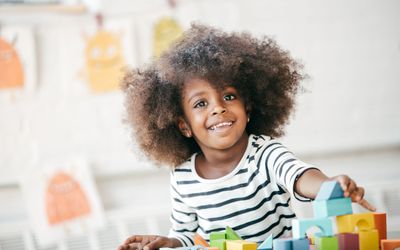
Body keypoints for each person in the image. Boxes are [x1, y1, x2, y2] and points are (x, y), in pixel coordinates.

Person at [118, 24, 375, 250]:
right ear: (184, 126)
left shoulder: (265, 153)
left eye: (228, 96)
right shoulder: (183, 176)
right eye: (200, 104)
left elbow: (298, 176)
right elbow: (186, 235)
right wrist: (167, 242)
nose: (218, 107)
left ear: (248, 108)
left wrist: (328, 186)